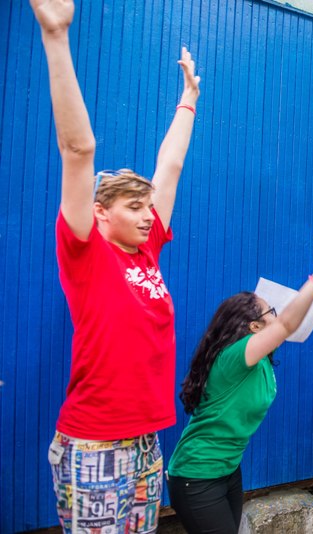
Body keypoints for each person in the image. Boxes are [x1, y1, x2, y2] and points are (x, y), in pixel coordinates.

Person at [32, 0, 200, 530]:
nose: (149, 215)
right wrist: (57, 36)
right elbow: (78, 149)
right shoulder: (86, 252)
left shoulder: (147, 250)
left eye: (150, 207)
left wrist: (189, 100)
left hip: (147, 439)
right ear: (101, 213)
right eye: (135, 207)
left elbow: (170, 166)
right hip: (95, 442)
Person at [167, 232, 313, 533]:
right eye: (272, 312)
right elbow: (287, 324)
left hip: (229, 470)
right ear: (254, 327)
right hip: (197, 475)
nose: (278, 315)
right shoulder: (235, 356)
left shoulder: (262, 360)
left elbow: (286, 327)